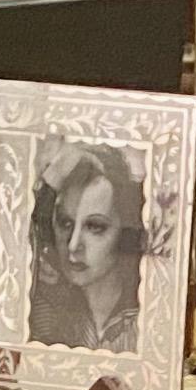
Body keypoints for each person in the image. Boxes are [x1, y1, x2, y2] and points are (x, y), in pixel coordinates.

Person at [28, 141, 146, 354]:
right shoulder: (44, 314)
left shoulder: (146, 318)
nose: (73, 245)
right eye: (65, 223)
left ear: (125, 232)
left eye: (95, 227)